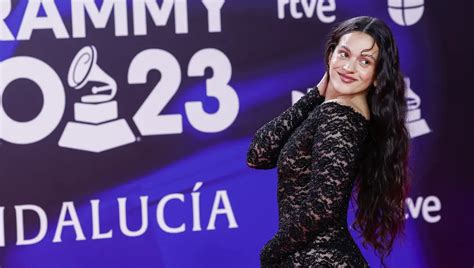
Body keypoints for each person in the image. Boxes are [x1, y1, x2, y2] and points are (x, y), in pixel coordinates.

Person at [246, 16, 410, 267]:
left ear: (377, 75)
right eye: (343, 54)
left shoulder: (341, 115)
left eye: (365, 61)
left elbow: (322, 206)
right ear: (330, 54)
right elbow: (258, 154)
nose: (349, 67)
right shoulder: (336, 110)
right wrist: (317, 93)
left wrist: (271, 251)